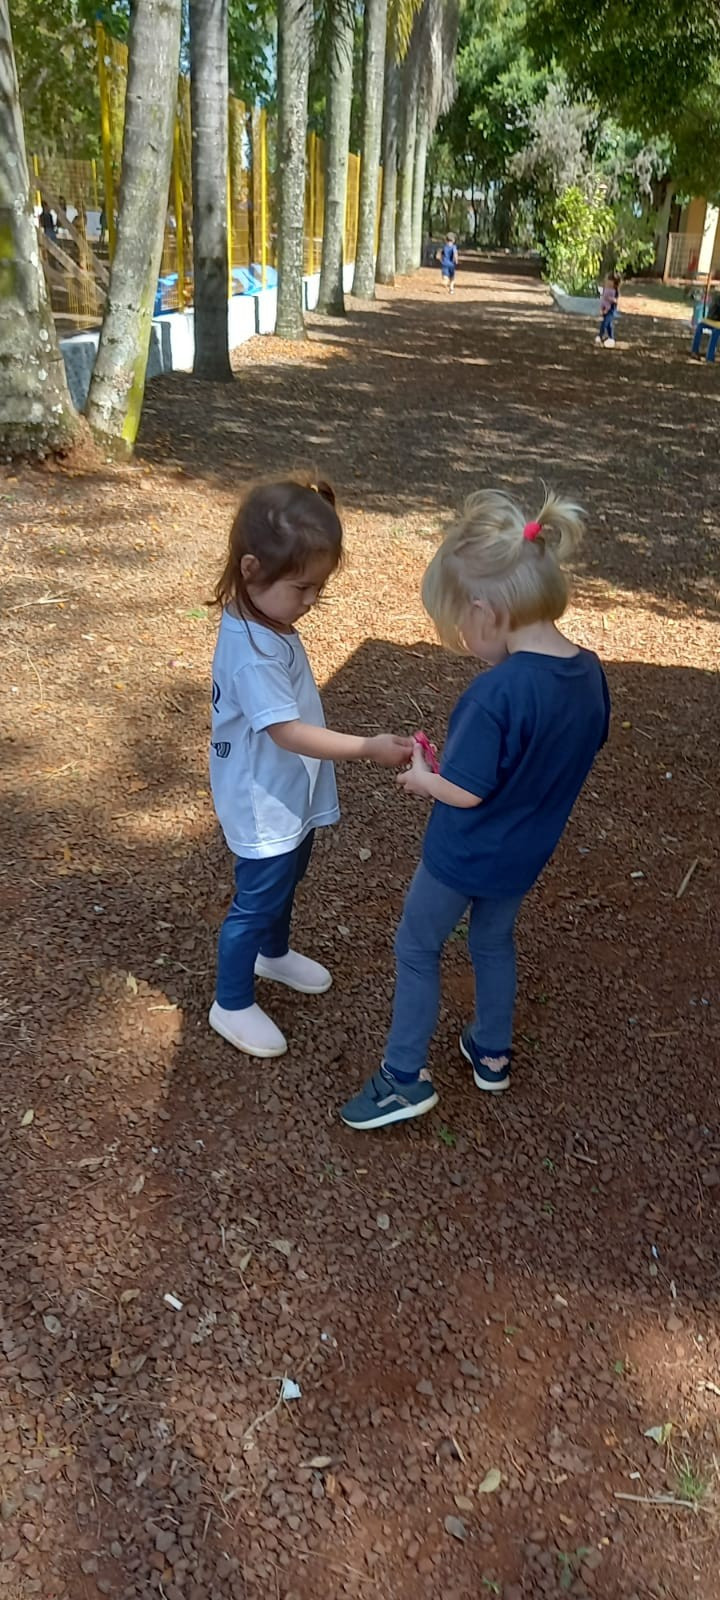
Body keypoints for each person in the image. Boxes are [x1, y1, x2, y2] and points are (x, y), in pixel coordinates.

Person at [341, 491, 610, 1131]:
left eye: (461, 626)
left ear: (488, 612)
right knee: (492, 940)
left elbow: (466, 791)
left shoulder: (495, 693)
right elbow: (579, 747)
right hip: (524, 854)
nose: (463, 641)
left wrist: (423, 778)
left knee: (416, 945)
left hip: (461, 855)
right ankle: (491, 1052)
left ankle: (402, 1079)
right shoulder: (590, 674)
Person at [209, 479, 414, 1061]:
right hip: (263, 798)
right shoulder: (252, 653)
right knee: (258, 897)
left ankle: (272, 954)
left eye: (318, 589)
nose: (310, 601)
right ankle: (230, 1001)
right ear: (251, 570)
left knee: (288, 875)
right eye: (301, 588)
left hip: (285, 787)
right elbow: (287, 732)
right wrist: (367, 747)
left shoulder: (266, 622)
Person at [596, 273, 620, 347]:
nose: (608, 283)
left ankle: (600, 335)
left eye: (610, 281)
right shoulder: (605, 289)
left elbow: (615, 301)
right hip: (604, 307)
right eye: (608, 281)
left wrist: (611, 299)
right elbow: (603, 299)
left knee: (605, 322)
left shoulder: (615, 291)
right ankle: (611, 338)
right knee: (609, 324)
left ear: (614, 283)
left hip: (611, 309)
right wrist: (602, 308)